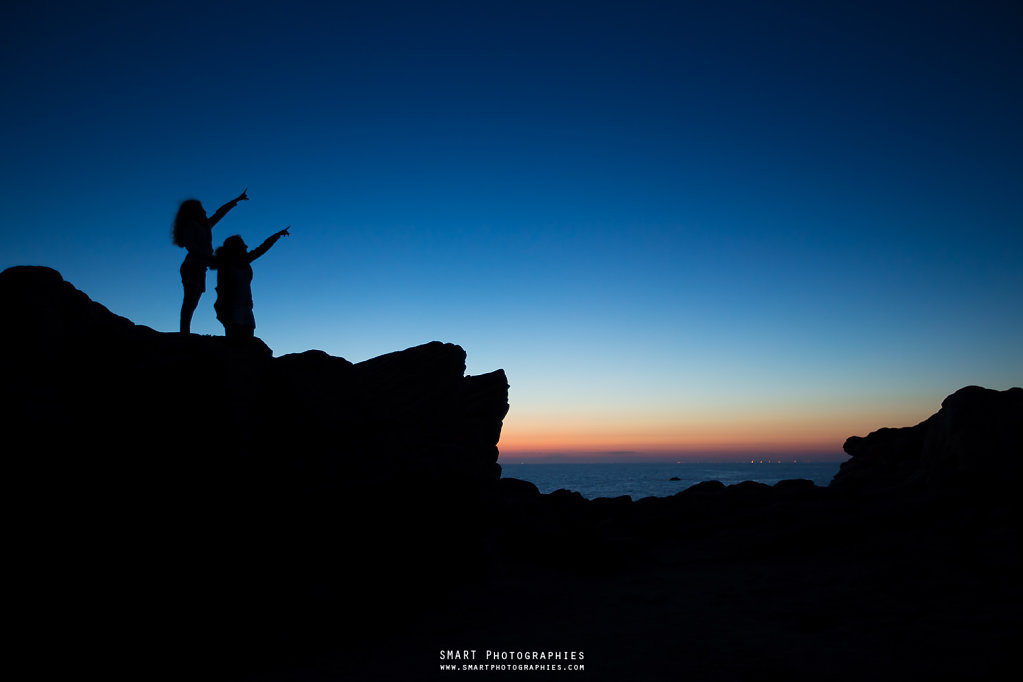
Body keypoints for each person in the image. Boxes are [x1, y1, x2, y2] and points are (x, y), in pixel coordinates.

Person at [172, 189, 249, 333]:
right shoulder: (190, 225)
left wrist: (235, 201)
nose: (205, 211)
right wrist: (210, 259)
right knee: (190, 300)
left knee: (193, 301)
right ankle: (184, 332)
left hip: (201, 267)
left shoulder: (205, 225)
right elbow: (193, 247)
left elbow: (219, 214)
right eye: (202, 208)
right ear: (195, 211)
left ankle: (185, 331)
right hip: (192, 266)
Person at [210, 227, 291, 339]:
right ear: (235, 248)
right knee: (235, 341)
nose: (246, 246)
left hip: (246, 307)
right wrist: (223, 311)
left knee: (248, 341)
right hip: (231, 309)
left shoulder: (244, 262)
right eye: (243, 244)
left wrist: (277, 235)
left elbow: (262, 248)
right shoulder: (225, 266)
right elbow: (223, 290)